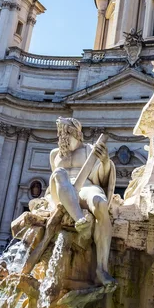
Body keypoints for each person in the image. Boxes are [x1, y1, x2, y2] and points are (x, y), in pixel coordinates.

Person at [48, 117, 116, 285]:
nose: (63, 139)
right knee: (59, 174)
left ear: (77, 134)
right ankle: (81, 221)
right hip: (63, 191)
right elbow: (54, 184)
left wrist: (105, 162)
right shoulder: (55, 155)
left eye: (67, 134)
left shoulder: (89, 150)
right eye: (61, 135)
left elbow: (101, 178)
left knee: (100, 203)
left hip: (85, 187)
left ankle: (102, 268)